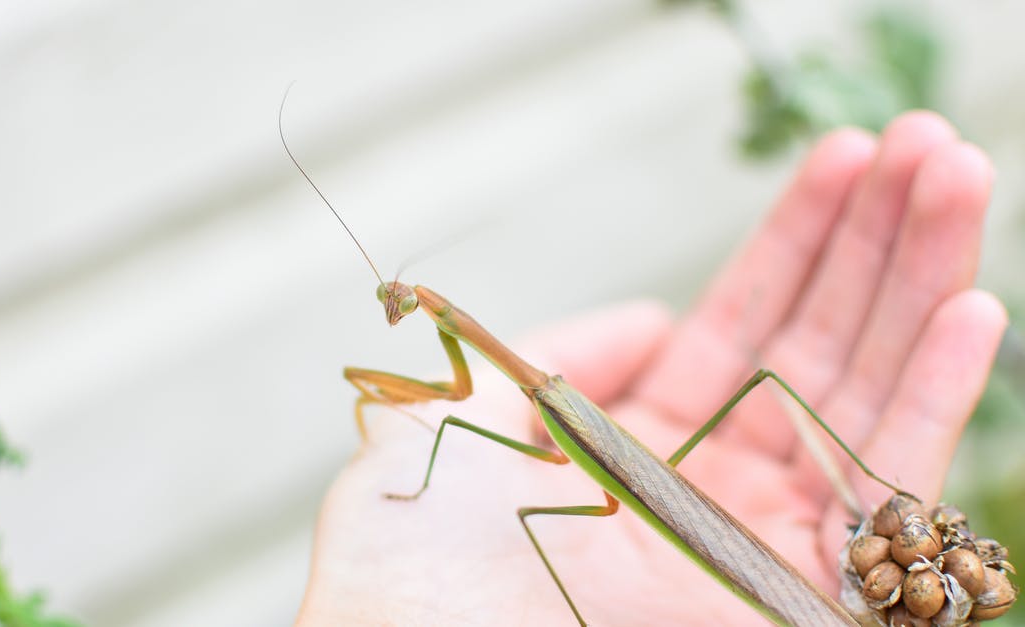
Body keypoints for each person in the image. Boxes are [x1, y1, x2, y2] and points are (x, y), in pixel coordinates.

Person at [296, 111, 1006, 625]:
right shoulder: (538, 390)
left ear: (430, 309)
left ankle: (870, 489)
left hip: (620, 469)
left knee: (514, 478)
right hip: (621, 470)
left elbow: (453, 397)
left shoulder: (534, 397)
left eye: (400, 302)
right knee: (756, 382)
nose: (396, 307)